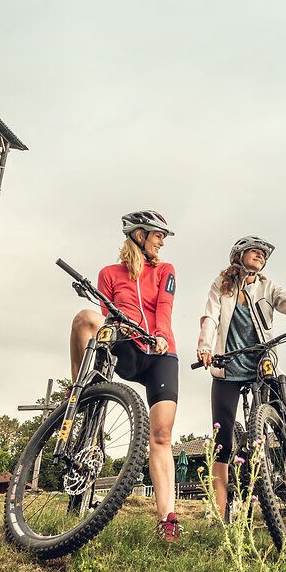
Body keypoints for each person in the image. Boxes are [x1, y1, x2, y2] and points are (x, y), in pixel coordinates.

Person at [68, 209, 184, 540]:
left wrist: (160, 334)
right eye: (157, 234)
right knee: (85, 319)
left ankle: (167, 518)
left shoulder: (165, 270)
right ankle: (80, 388)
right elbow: (105, 316)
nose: (162, 241)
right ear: (138, 235)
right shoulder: (108, 273)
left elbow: (165, 307)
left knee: (161, 436)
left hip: (162, 353)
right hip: (126, 345)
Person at [194, 235, 286, 521]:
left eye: (263, 255)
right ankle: (219, 515)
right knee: (222, 445)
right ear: (239, 256)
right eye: (255, 252)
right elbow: (210, 318)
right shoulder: (222, 286)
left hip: (261, 368)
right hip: (227, 371)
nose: (260, 257)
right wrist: (205, 346)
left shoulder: (268, 287)